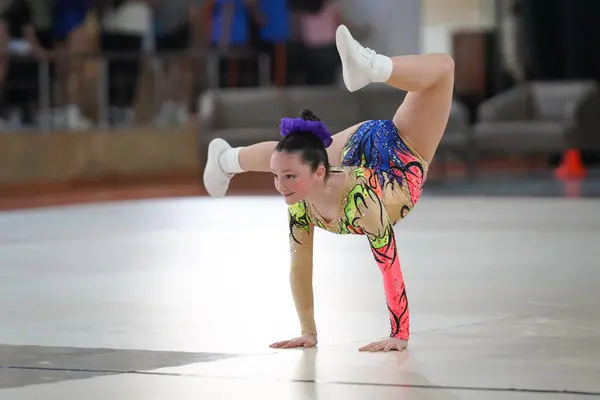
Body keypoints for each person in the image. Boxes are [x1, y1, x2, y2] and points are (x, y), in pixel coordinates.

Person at [203, 25, 454, 352]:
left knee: (445, 67)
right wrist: (309, 332)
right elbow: (300, 265)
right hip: (374, 160)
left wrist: (399, 334)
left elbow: (389, 264)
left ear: (321, 173)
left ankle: (373, 66)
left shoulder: (364, 204)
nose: (280, 187)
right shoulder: (300, 200)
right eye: (278, 179)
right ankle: (225, 159)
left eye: (288, 180)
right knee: (293, 154)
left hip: (398, 156)